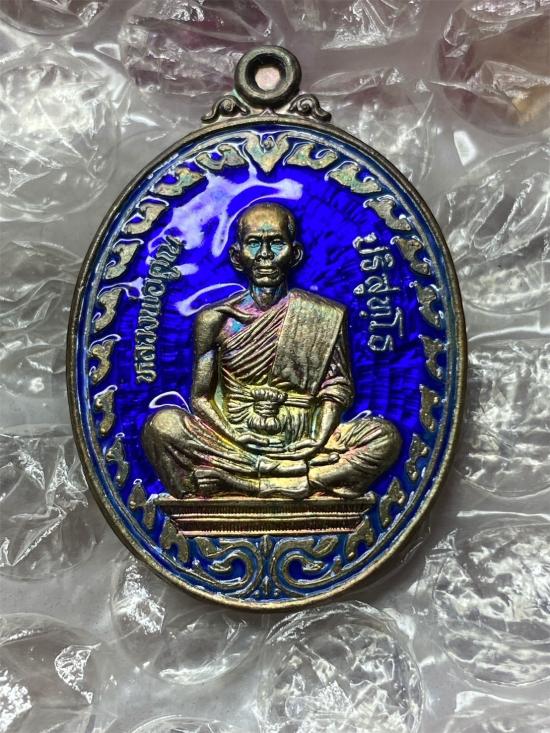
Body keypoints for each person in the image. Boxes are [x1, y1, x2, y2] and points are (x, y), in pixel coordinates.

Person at [142, 202, 400, 499]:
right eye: (254, 243)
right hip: (235, 441)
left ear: (295, 253)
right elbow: (200, 397)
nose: (265, 254)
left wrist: (318, 439)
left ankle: (245, 483)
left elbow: (336, 388)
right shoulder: (214, 319)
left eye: (276, 242)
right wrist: (235, 434)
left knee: (383, 437)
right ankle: (286, 478)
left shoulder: (323, 315)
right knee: (162, 426)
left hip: (304, 440)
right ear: (237, 256)